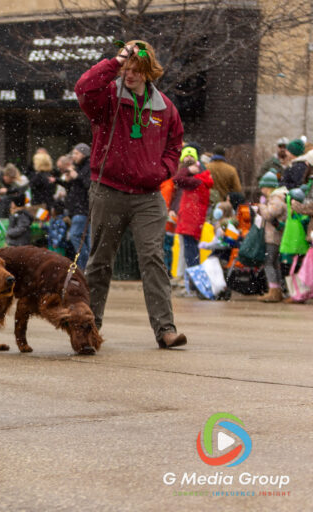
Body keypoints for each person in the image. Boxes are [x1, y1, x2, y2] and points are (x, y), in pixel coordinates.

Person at [75, 39, 187, 349]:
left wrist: (162, 171)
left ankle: (166, 329)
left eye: (137, 69)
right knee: (99, 262)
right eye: (127, 68)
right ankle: (89, 330)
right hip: (107, 190)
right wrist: (116, 60)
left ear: (149, 71)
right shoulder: (108, 97)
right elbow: (84, 88)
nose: (130, 74)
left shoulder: (165, 108)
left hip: (148, 196)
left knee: (153, 259)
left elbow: (175, 145)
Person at [173, 146, 213, 296]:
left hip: (189, 222)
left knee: (190, 256)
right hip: (195, 221)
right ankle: (193, 286)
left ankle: (193, 286)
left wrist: (187, 169)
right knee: (192, 254)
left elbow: (177, 179)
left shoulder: (196, 180)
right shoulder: (202, 181)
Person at [60, 143, 93, 269]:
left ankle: (84, 266)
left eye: (76, 153)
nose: (74, 156)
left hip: (83, 209)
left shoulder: (87, 167)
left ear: (84, 154)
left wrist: (77, 177)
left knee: (75, 235)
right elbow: (75, 187)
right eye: (73, 153)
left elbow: (88, 185)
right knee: (85, 239)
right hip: (78, 209)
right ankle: (86, 266)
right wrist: (67, 180)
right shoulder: (78, 167)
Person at [256, 172, 287, 303]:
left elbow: (270, 214)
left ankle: (274, 291)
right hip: (275, 236)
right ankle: (277, 290)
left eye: (263, 187)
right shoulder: (280, 196)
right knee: (274, 263)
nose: (262, 191)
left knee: (269, 262)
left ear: (268, 187)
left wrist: (261, 207)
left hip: (273, 237)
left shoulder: (276, 198)